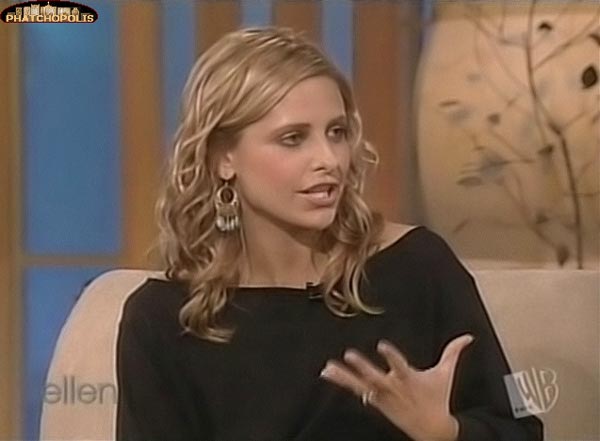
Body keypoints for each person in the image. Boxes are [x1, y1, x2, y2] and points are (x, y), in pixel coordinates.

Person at [115, 26, 543, 441]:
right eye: (293, 138)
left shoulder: (417, 268)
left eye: (337, 133)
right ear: (223, 158)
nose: (330, 159)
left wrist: (445, 433)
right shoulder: (165, 320)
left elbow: (522, 429)